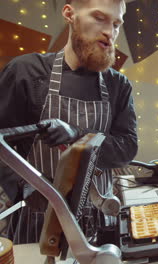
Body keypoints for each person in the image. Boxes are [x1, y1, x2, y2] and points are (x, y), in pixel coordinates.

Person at [0, 0, 138, 244]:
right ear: (70, 14)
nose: (110, 32)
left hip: (99, 219)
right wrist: (29, 189)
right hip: (36, 223)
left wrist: (76, 134)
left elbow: (126, 147)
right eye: (99, 18)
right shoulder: (25, 72)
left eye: (116, 24)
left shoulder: (118, 85)